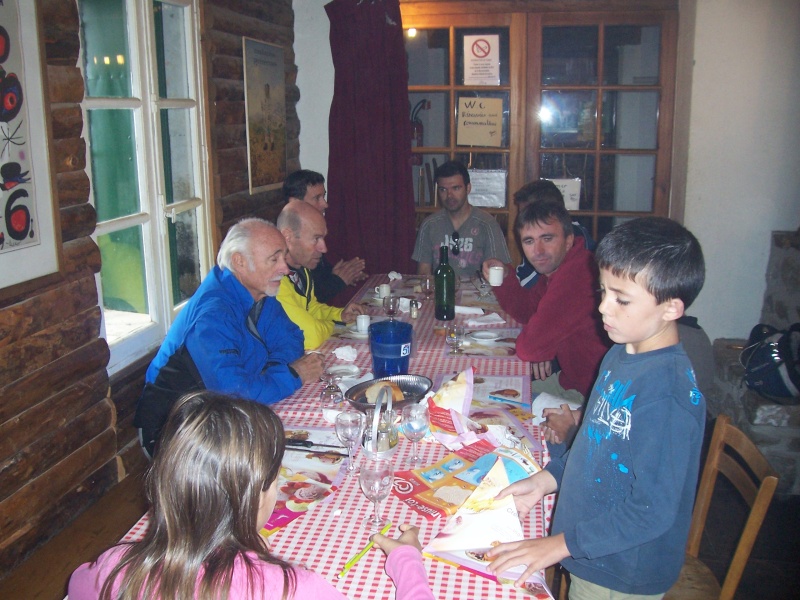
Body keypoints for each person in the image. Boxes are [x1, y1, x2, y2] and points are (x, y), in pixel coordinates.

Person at [486, 216, 707, 599]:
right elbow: (593, 444)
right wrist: (546, 479)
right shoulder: (620, 353)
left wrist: (558, 545)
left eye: (621, 298)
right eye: (603, 290)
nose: (603, 307)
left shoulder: (666, 394)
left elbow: (652, 511)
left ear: (671, 308)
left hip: (619, 572)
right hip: (590, 545)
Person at [70, 392, 435, 600]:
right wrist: (407, 560)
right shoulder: (292, 589)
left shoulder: (113, 566)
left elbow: (76, 589)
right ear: (254, 496)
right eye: (273, 479)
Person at [134, 218, 324, 457]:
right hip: (178, 430)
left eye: (284, 257)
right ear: (239, 262)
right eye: (274, 259)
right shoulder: (213, 314)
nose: (285, 269)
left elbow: (291, 337)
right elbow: (233, 392)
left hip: (222, 413)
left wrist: (276, 371)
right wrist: (292, 374)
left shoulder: (258, 293)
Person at [483, 200, 609, 404]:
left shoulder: (578, 274)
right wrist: (506, 275)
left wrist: (543, 346)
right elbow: (526, 310)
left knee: (494, 405)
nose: (538, 251)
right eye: (529, 241)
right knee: (487, 389)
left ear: (568, 240)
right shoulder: (558, 269)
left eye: (547, 238)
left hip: (592, 395)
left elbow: (530, 348)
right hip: (570, 380)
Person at [276, 200, 366, 349]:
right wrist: (333, 324)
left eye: (323, 238)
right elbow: (309, 336)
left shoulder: (302, 269)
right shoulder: (274, 279)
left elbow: (311, 308)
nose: (324, 248)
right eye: (316, 238)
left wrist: (340, 315)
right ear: (288, 237)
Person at [412, 161, 511, 278]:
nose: (449, 195)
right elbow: (424, 274)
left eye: (456, 188)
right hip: (441, 292)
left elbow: (501, 271)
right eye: (443, 190)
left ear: (468, 188)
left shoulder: (487, 224)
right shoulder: (429, 225)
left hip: (478, 293)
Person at [283, 169, 367, 303]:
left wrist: (343, 273)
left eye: (324, 196)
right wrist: (337, 281)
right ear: (294, 202)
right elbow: (307, 300)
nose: (325, 204)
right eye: (317, 198)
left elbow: (319, 279)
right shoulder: (289, 243)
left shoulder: (312, 231)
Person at [512, 180, 595, 289]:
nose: (522, 219)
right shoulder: (536, 237)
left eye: (527, 214)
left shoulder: (574, 241)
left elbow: (525, 284)